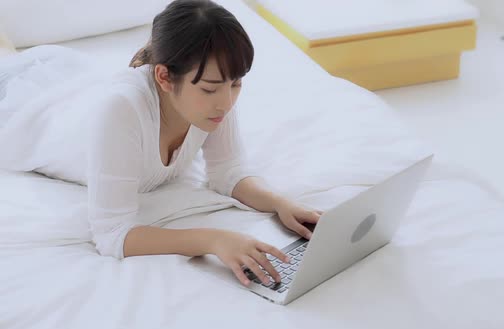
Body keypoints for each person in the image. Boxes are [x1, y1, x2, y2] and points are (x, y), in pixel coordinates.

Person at [0, 0, 322, 287]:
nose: (226, 101)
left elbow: (228, 173)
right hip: (25, 107)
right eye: (210, 89)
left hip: (74, 85)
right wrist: (214, 240)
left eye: (236, 83)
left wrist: (281, 204)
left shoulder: (214, 99)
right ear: (165, 78)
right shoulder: (121, 111)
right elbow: (113, 235)